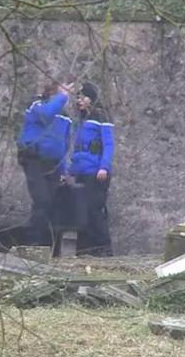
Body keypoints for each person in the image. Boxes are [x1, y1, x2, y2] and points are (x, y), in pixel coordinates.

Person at [17, 81, 74, 245]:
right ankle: (32, 244)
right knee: (42, 201)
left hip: (54, 164)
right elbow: (46, 115)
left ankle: (48, 247)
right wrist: (62, 95)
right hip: (34, 159)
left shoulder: (65, 117)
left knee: (52, 205)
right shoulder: (37, 106)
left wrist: (64, 170)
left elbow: (64, 143)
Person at [69, 82, 115, 256]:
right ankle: (86, 249)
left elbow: (108, 144)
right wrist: (70, 170)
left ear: (91, 99)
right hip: (82, 171)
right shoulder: (81, 120)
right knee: (82, 211)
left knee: (95, 210)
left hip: (96, 173)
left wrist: (104, 167)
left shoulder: (101, 116)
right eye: (78, 97)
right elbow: (78, 149)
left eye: (83, 97)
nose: (79, 101)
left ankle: (103, 249)